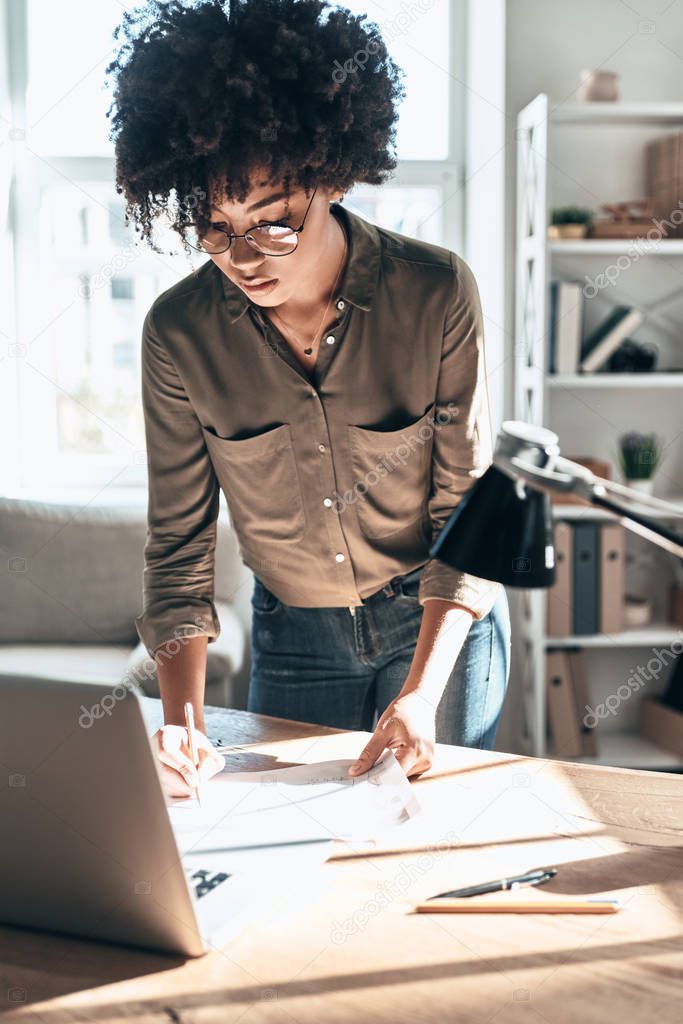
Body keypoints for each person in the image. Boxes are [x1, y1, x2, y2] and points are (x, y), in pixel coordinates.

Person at [106, 0, 511, 799]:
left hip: (432, 624)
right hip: (293, 635)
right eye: (215, 230)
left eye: (272, 223)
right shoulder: (178, 333)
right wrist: (181, 723)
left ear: (328, 175)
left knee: (425, 843)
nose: (242, 258)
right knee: (283, 853)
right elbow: (179, 547)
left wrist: (419, 697)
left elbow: (467, 513)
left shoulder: (434, 293)